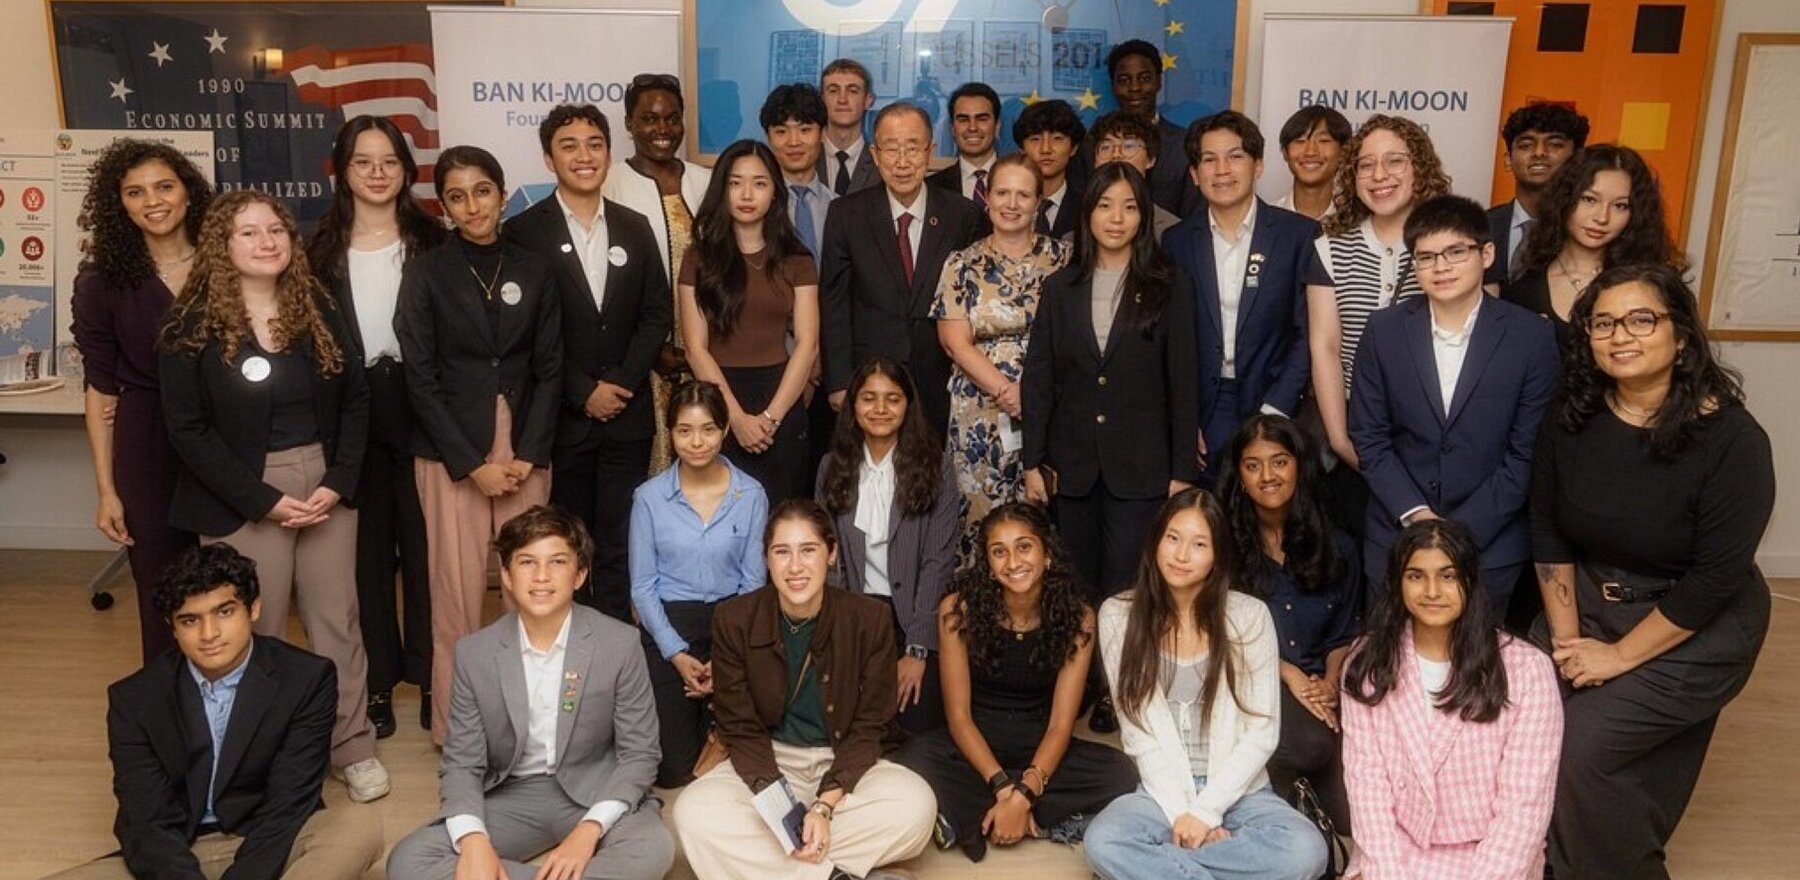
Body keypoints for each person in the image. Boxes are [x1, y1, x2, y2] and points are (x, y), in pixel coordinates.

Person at [1533, 264, 1774, 880]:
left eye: (1642, 319)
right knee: (1529, 720)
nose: (1621, 336)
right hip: (1587, 603)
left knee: (1581, 747)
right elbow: (1549, 532)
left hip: (1695, 623)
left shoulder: (1732, 440)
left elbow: (1715, 580)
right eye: (1604, 322)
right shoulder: (1571, 418)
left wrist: (1615, 659)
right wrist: (1565, 640)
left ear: (1682, 335)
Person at [159, 190, 387, 801]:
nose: (267, 242)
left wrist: (337, 482)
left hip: (324, 487)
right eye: (249, 233)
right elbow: (187, 430)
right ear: (221, 246)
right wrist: (261, 499)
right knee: (248, 635)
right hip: (240, 494)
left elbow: (358, 398)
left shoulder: (316, 306)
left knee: (335, 621)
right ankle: (262, 760)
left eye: (276, 230)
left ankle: (352, 747)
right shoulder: (191, 325)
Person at [46, 544, 383, 880]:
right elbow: (147, 818)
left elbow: (288, 804)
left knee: (357, 826)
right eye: (190, 620)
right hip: (176, 851)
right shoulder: (134, 699)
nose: (209, 635)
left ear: (253, 609)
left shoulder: (306, 679)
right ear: (172, 627)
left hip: (272, 842)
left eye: (224, 612)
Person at [386, 506, 675, 880]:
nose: (541, 576)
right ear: (506, 575)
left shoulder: (619, 642)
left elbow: (640, 753)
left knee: (652, 849)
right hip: (513, 795)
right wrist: (474, 843)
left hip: (593, 790)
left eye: (557, 562)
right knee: (410, 860)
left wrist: (589, 832)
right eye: (526, 562)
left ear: (580, 574)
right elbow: (462, 762)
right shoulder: (476, 653)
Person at [672, 499, 936, 880]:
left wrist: (824, 807)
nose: (795, 567)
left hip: (843, 762)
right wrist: (783, 808)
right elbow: (740, 728)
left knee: (916, 807)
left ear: (831, 554)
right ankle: (831, 875)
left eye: (808, 550)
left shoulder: (869, 618)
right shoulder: (734, 619)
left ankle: (772, 865)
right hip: (767, 762)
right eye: (782, 552)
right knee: (693, 813)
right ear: (766, 559)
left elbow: (871, 726)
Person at [396, 145, 562, 742]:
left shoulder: (534, 267)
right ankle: (459, 732)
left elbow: (551, 367)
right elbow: (419, 375)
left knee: (534, 592)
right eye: (458, 196)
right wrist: (470, 465)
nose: (473, 207)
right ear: (444, 206)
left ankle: (533, 727)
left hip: (523, 448)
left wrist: (526, 453)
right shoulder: (426, 273)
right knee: (457, 598)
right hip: (451, 453)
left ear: (501, 193)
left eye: (483, 191)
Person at [1082, 489, 1327, 880]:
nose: (1181, 555)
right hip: (1161, 793)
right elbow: (1137, 733)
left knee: (1306, 850)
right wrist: (1188, 815)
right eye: (1173, 538)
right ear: (1155, 541)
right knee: (1103, 841)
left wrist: (1206, 812)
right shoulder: (1118, 617)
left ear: (1217, 556)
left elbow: (1262, 731)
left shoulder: (1249, 617)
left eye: (1199, 544)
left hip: (1241, 790)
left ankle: (1165, 870)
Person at [895, 503, 1139, 862]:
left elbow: (1060, 724)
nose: (1013, 562)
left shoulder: (1079, 616)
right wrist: (1002, 785)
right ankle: (1024, 816)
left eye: (1024, 546)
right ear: (988, 566)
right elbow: (959, 717)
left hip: (1040, 748)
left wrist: (1025, 791)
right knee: (911, 759)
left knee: (1121, 774)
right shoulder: (956, 610)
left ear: (1047, 554)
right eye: (999, 552)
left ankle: (977, 818)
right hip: (974, 747)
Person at [1348, 195, 1558, 611]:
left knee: (1476, 670)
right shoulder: (1384, 330)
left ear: (1487, 253)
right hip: (1396, 532)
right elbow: (1369, 437)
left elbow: (1527, 452)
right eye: (1425, 257)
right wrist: (1418, 518)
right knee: (1390, 666)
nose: (1440, 267)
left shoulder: (1531, 337)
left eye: (1455, 252)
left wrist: (1459, 533)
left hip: (1490, 543)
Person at [306, 115, 446, 738]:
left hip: (421, 407)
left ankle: (429, 675)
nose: (378, 173)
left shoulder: (432, 240)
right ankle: (379, 685)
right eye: (363, 162)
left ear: (405, 168)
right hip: (352, 411)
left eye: (389, 161)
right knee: (365, 559)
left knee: (424, 552)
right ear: (342, 169)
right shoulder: (316, 251)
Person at [506, 103, 672, 623]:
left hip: (628, 416)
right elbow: (526, 332)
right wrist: (583, 391)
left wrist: (619, 384)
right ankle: (566, 652)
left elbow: (656, 313)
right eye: (569, 146)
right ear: (549, 159)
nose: (584, 156)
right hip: (562, 419)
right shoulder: (523, 232)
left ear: (609, 152)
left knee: (621, 544)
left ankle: (615, 654)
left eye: (595, 145)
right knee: (564, 547)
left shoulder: (635, 225)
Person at [1340, 519, 1562, 879]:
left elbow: (1524, 810)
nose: (1432, 591)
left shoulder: (1526, 671)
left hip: (1489, 858)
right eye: (1416, 576)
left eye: (1447, 576)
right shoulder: (1367, 662)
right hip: (1396, 851)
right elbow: (1367, 790)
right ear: (1398, 583)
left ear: (1470, 581)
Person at [1023, 161, 1198, 603]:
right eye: (1104, 206)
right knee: (1075, 589)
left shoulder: (1169, 286)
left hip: (1142, 470)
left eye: (1129, 207)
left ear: (1144, 216)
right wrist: (1031, 462)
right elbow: (1040, 377)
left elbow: (1183, 382)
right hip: (1073, 467)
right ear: (1087, 213)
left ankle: (1120, 675)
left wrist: (1181, 472)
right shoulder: (1061, 287)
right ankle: (1081, 675)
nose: (1116, 219)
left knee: (1128, 590)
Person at [71, 138, 212, 663]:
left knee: (230, 582)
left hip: (227, 434)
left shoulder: (227, 262)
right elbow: (100, 387)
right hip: (146, 440)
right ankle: (172, 715)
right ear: (119, 204)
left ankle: (237, 716)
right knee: (163, 588)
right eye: (135, 191)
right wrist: (106, 490)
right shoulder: (101, 282)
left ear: (187, 192)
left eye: (164, 186)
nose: (153, 200)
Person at [1304, 114, 1451, 536]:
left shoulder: (1449, 244)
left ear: (1419, 168)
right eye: (1365, 165)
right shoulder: (1330, 247)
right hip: (1356, 429)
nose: (1379, 175)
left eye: (1395, 161)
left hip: (1432, 433)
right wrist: (1339, 439)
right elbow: (1326, 347)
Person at [1218, 414, 1359, 832]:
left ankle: (1285, 794)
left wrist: (1330, 683)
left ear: (1299, 465)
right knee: (1313, 746)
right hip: (1248, 681)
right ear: (1239, 476)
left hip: (1321, 685)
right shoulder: (1223, 548)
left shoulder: (1338, 545)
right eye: (1253, 465)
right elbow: (1215, 635)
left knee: (1348, 818)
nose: (1268, 476)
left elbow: (1344, 631)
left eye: (1279, 461)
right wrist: (1290, 675)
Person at [630, 380, 770, 788]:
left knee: (750, 753)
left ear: (725, 431)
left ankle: (721, 732)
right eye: (684, 431)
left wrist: (726, 658)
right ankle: (710, 730)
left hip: (734, 623)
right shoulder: (649, 498)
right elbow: (642, 586)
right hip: (670, 625)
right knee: (672, 771)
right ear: (670, 434)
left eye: (708, 429)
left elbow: (753, 582)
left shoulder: (751, 494)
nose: (697, 442)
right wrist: (676, 654)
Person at [933, 153, 1072, 560]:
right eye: (1003, 192)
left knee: (1042, 518)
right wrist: (1009, 391)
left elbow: (1076, 336)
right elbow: (955, 342)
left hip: (1050, 406)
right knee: (979, 522)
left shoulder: (1063, 259)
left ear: (1038, 201)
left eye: (1023, 194)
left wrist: (1034, 394)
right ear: (987, 197)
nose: (1012, 204)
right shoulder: (961, 264)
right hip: (980, 411)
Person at [1165, 110, 1319, 475]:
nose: (1222, 170)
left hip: (1275, 399)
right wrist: (1185, 418)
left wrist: (1276, 410)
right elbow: (1171, 340)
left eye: (1235, 156)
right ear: (1194, 174)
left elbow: (1307, 332)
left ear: (1259, 165)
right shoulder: (1176, 242)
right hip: (1206, 407)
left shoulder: (1299, 236)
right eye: (1209, 160)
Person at [820, 101, 983, 437]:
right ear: (875, 154)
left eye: (913, 148)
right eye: (891, 149)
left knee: (936, 479)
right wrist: (838, 381)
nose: (903, 162)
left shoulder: (962, 215)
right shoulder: (846, 215)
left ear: (931, 151)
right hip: (871, 383)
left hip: (943, 379)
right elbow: (835, 303)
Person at [816, 357, 961, 734]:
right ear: (853, 406)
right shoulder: (831, 466)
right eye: (869, 398)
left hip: (913, 617)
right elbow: (829, 563)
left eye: (893, 399)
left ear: (908, 406)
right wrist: (840, 637)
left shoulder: (937, 466)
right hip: (853, 615)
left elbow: (937, 563)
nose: (880, 409)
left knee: (916, 729)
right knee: (843, 725)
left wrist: (916, 649)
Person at [680, 139, 821, 504]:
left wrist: (771, 417)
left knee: (782, 520)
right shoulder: (698, 258)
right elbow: (695, 349)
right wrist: (736, 419)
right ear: (721, 189)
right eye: (735, 182)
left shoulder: (797, 258)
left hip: (781, 397)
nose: (746, 194)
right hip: (717, 399)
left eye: (759, 183)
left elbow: (808, 344)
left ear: (774, 192)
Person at [603, 73, 713, 474]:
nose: (662, 130)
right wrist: (651, 350)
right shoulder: (608, 184)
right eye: (649, 119)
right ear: (629, 123)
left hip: (704, 349)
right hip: (637, 356)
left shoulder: (706, 181)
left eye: (672, 118)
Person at [1506, 144, 1682, 350]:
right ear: (1565, 200)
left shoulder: (1651, 285)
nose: (1602, 217)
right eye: (1589, 199)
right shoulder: (1524, 288)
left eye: (1620, 206)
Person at [1487, 102, 1590, 285]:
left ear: (1578, 158)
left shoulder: (1592, 231)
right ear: (1508, 160)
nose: (1539, 153)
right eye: (1526, 145)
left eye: (1555, 145)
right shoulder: (1479, 227)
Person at [1103, 38, 1199, 216]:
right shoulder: (1094, 143)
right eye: (1124, 80)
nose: (1135, 88)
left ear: (1159, 82)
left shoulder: (1184, 145)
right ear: (1113, 86)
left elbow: (1193, 218)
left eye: (1144, 78)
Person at [763, 84, 836, 266]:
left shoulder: (839, 208)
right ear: (768, 138)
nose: (793, 142)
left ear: (823, 134)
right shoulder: (757, 208)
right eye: (781, 131)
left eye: (805, 130)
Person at [1087, 111, 1182, 241]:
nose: (1116, 155)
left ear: (1151, 159)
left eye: (1128, 146)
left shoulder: (1173, 233)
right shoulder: (1073, 237)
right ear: (1094, 160)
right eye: (1106, 147)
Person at [1013, 100, 1085, 240]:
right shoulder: (1007, 204)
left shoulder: (1087, 205)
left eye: (1057, 138)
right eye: (1035, 139)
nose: (1046, 149)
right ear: (1021, 149)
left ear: (1074, 148)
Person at [926, 82, 1001, 208]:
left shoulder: (1021, 180)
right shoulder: (930, 189)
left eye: (982, 119)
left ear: (997, 126)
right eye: (963, 120)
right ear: (952, 129)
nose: (972, 127)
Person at [1272, 105, 1350, 222]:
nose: (1310, 151)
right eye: (1300, 141)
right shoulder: (1265, 220)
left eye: (1324, 141)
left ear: (1344, 152)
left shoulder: (1355, 221)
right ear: (1285, 153)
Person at [818, 58, 881, 196]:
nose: (842, 99)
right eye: (833, 91)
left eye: (852, 91)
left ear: (868, 100)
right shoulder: (806, 158)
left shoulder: (881, 164)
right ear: (822, 99)